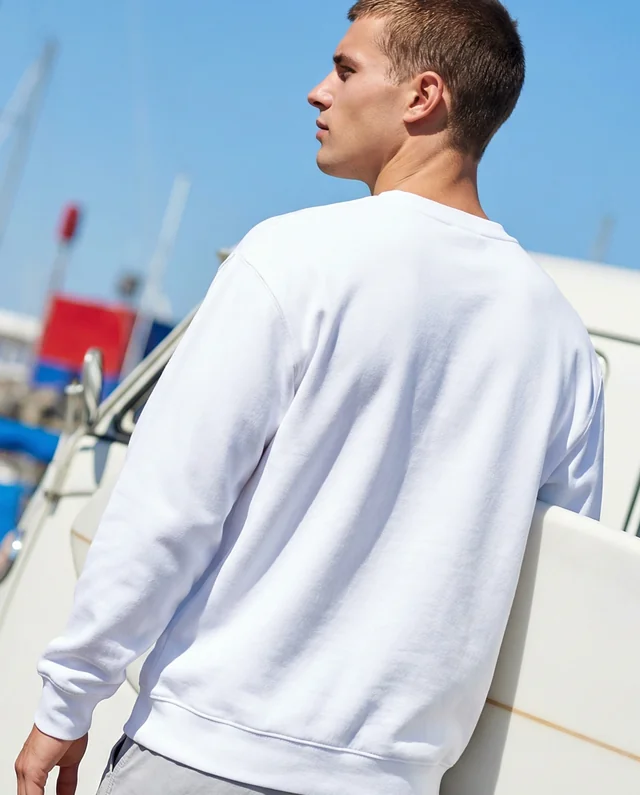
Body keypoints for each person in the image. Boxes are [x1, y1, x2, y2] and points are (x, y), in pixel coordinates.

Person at [16, 1, 604, 794]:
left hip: (207, 754)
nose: (317, 91)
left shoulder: (295, 257)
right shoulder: (561, 340)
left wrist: (67, 698)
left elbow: (169, 505)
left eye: (346, 68)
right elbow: (555, 590)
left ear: (423, 97)